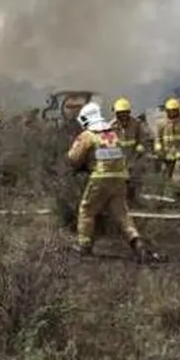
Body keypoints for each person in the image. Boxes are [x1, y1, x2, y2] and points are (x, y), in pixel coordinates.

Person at [66, 102, 147, 263]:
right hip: (119, 179)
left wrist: (81, 164)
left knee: (87, 210)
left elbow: (73, 159)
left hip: (100, 179)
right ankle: (138, 244)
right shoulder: (113, 134)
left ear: (85, 119)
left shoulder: (88, 136)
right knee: (122, 214)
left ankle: (84, 246)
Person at [111, 97, 151, 204]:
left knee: (133, 181)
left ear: (129, 112)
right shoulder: (112, 126)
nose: (123, 116)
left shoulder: (136, 124)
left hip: (134, 156)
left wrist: (141, 146)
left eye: (125, 113)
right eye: (120, 113)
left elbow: (143, 138)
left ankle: (133, 201)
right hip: (118, 159)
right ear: (116, 113)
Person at [154, 97, 180, 187]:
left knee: (177, 177)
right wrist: (158, 148)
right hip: (167, 155)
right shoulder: (161, 123)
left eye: (174, 110)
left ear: (178, 110)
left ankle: (177, 196)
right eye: (170, 110)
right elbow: (158, 138)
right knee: (165, 177)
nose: (173, 112)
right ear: (167, 111)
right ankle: (169, 197)